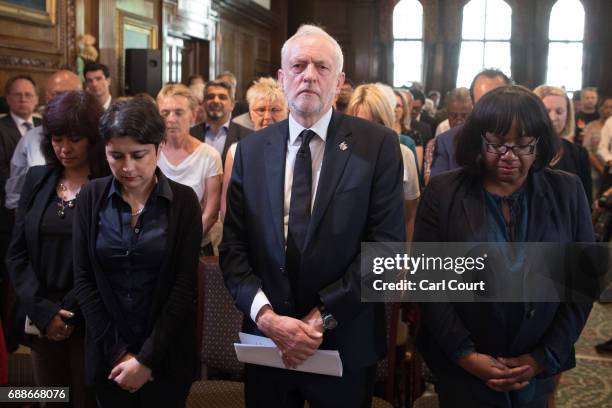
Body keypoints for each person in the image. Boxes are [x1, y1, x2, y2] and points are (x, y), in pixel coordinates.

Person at [220, 24, 405, 406]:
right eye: (299, 65)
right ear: (282, 77)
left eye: (321, 67)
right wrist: (268, 317)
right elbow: (233, 248)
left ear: (339, 82)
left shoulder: (378, 146)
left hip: (342, 339)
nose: (308, 75)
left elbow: (384, 251)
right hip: (268, 340)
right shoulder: (249, 152)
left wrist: (320, 319)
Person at [414, 85, 593, 407]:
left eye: (524, 146)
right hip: (463, 364)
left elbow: (581, 286)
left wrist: (543, 356)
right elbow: (429, 284)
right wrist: (466, 355)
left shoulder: (567, 191)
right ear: (477, 142)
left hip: (539, 361)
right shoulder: (443, 192)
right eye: (496, 145)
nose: (509, 158)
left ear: (539, 145)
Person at [73, 96, 202, 407]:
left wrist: (146, 359)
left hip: (167, 353)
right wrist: (119, 353)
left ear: (158, 149)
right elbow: (84, 281)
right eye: (116, 156)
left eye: (138, 155)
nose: (127, 167)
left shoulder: (184, 202)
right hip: (109, 354)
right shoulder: (91, 197)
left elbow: (184, 287)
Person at [6, 90, 108, 407]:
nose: (64, 148)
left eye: (74, 139)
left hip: (89, 317)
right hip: (40, 316)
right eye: (57, 138)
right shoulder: (38, 178)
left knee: (86, 400)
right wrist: (44, 310)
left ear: (93, 139)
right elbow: (17, 253)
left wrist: (67, 311)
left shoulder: (107, 184)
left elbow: (104, 256)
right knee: (49, 398)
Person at [347, 83, 420, 241]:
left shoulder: (404, 154)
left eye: (377, 124)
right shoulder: (342, 155)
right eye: (362, 125)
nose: (371, 133)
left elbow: (410, 215)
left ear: (386, 120)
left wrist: (405, 261)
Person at [156, 84, 222, 256]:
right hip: (154, 244)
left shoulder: (209, 156)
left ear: (193, 115)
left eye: (178, 112)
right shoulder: (149, 154)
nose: (171, 119)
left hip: (196, 247)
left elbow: (210, 213)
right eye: (165, 113)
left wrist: (182, 245)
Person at [5, 70, 83, 210]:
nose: (62, 101)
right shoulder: (31, 139)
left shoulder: (96, 138)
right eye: (57, 95)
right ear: (47, 98)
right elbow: (14, 196)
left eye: (69, 95)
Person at [220, 77, 288, 220]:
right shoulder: (236, 151)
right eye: (260, 110)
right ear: (250, 113)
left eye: (275, 110)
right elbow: (227, 206)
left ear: (287, 112)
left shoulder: (298, 149)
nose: (267, 117)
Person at [429, 68, 511, 180]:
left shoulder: (527, 139)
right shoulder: (447, 141)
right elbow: (438, 191)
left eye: (499, 101)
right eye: (484, 102)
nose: (492, 108)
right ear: (473, 103)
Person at [534, 85, 592, 204]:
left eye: (559, 112)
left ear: (568, 115)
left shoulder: (579, 153)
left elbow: (586, 201)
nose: (553, 117)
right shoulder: (522, 151)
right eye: (546, 111)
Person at [190, 79, 246, 165]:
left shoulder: (246, 136)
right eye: (210, 97)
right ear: (203, 103)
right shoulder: (191, 134)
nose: (216, 101)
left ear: (232, 105)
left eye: (222, 97)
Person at [582, 96, 612, 195]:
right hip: (595, 171)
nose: (608, 110)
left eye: (611, 107)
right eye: (606, 107)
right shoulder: (592, 126)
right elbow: (587, 150)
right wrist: (602, 169)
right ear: (601, 108)